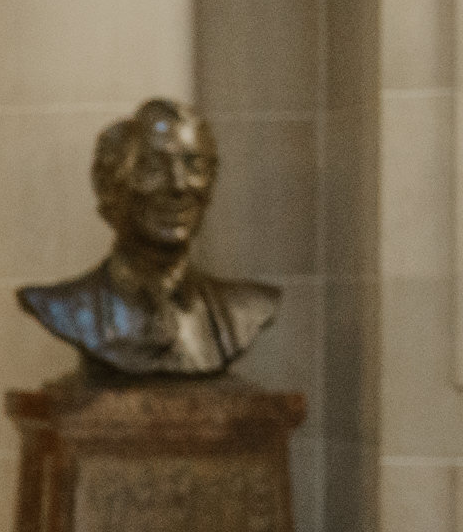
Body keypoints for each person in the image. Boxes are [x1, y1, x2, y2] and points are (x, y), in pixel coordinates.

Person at [17, 98, 280, 377]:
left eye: (194, 167)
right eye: (153, 168)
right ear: (109, 185)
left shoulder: (245, 309)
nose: (178, 185)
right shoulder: (64, 307)